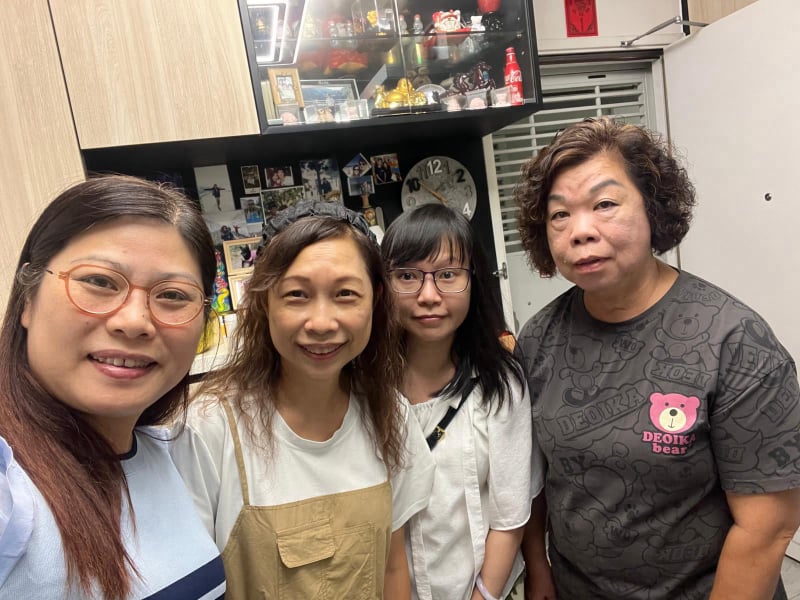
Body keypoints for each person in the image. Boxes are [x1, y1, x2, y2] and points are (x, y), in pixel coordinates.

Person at [514, 117, 800, 600]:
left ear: (653, 208)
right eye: (559, 214)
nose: (580, 231)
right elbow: (538, 476)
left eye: (605, 204)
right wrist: (538, 567)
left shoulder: (735, 342)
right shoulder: (539, 338)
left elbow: (767, 528)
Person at [171, 200, 435, 598]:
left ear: (376, 299)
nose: (322, 323)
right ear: (264, 300)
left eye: (346, 293)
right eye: (297, 294)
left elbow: (392, 564)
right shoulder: (208, 428)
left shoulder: (390, 413)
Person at [0, 175, 225, 598]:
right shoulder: (9, 490)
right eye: (100, 282)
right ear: (28, 297)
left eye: (173, 295)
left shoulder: (170, 454)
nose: (135, 321)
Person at [381, 203, 539, 600]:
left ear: (474, 281)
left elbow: (510, 516)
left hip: (486, 589)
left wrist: (483, 595)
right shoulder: (365, 389)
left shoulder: (501, 384)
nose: (428, 295)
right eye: (407, 276)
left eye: (448, 274)